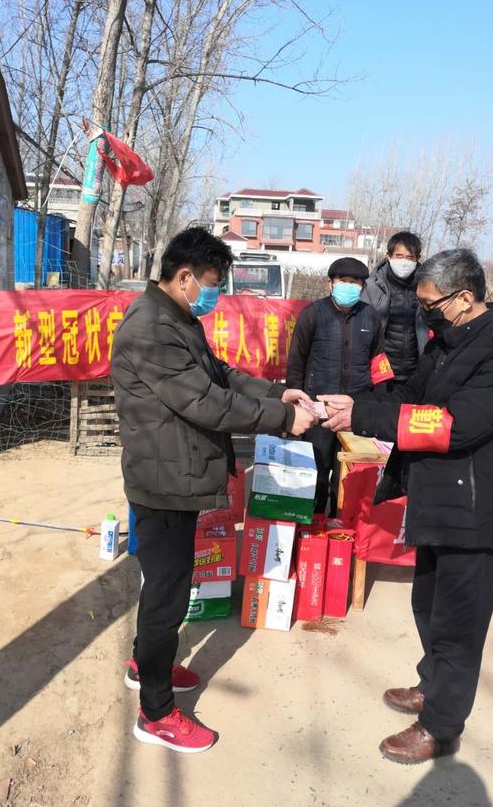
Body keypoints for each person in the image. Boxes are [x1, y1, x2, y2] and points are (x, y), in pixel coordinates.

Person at [319, 248, 493, 763]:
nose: (424, 314)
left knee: (459, 626)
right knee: (428, 607)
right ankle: (431, 685)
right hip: (439, 500)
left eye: (430, 305)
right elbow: (411, 399)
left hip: (476, 513)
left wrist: (365, 419)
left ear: (464, 298)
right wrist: (358, 406)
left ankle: (441, 727)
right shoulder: (448, 341)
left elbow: (449, 424)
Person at [111, 227, 317, 754]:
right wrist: (282, 419)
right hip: (162, 482)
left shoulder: (177, 318)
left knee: (167, 586)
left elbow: (219, 375)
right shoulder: (150, 328)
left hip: (175, 472)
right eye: (211, 282)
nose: (214, 293)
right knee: (167, 594)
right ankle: (156, 713)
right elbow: (206, 402)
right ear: (184, 277)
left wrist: (275, 392)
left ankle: (144, 663)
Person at [286, 256, 392, 517]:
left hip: (357, 409)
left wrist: (379, 404)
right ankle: (312, 526)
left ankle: (340, 527)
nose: (349, 286)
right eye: (343, 280)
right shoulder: (312, 314)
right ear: (330, 284)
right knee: (316, 472)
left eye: (355, 282)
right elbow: (297, 361)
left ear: (362, 287)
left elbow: (379, 363)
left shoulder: (371, 317)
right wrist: (296, 405)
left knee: (349, 475)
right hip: (317, 409)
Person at [361, 231, 429, 388]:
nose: (404, 262)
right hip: (380, 372)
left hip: (415, 370)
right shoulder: (372, 287)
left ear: (418, 259)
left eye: (409, 257)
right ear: (388, 256)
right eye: (399, 256)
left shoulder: (426, 288)